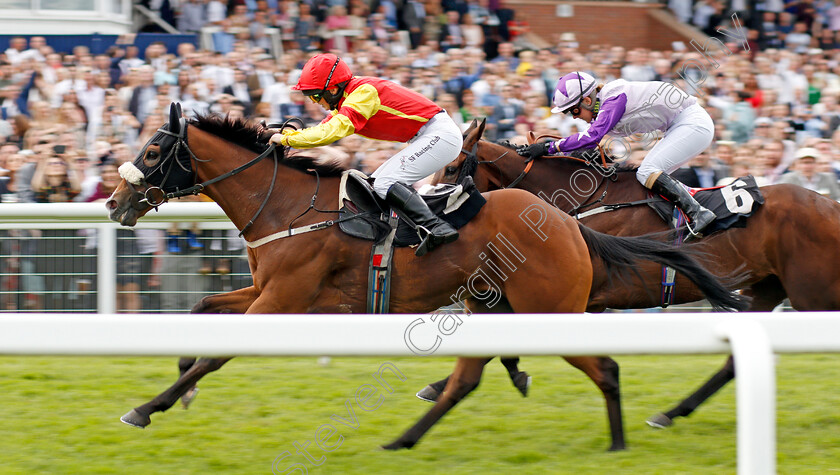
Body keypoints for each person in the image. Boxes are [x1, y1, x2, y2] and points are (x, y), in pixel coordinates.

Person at [269, 53, 462, 256]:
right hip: (429, 135)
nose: (315, 101)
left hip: (439, 135)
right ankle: (411, 232)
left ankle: (437, 228)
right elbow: (321, 128)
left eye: (316, 95)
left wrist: (286, 140)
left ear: (333, 89)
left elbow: (331, 133)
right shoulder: (348, 99)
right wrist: (285, 134)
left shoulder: (363, 94)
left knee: (384, 183)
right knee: (375, 184)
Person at [518, 71, 717, 238]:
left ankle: (699, 214)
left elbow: (592, 137)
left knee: (646, 172)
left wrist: (549, 148)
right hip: (679, 126)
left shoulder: (613, 98)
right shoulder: (605, 103)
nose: (575, 117)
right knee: (646, 177)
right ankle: (677, 219)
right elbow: (589, 143)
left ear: (587, 100)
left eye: (574, 111)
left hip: (692, 124)